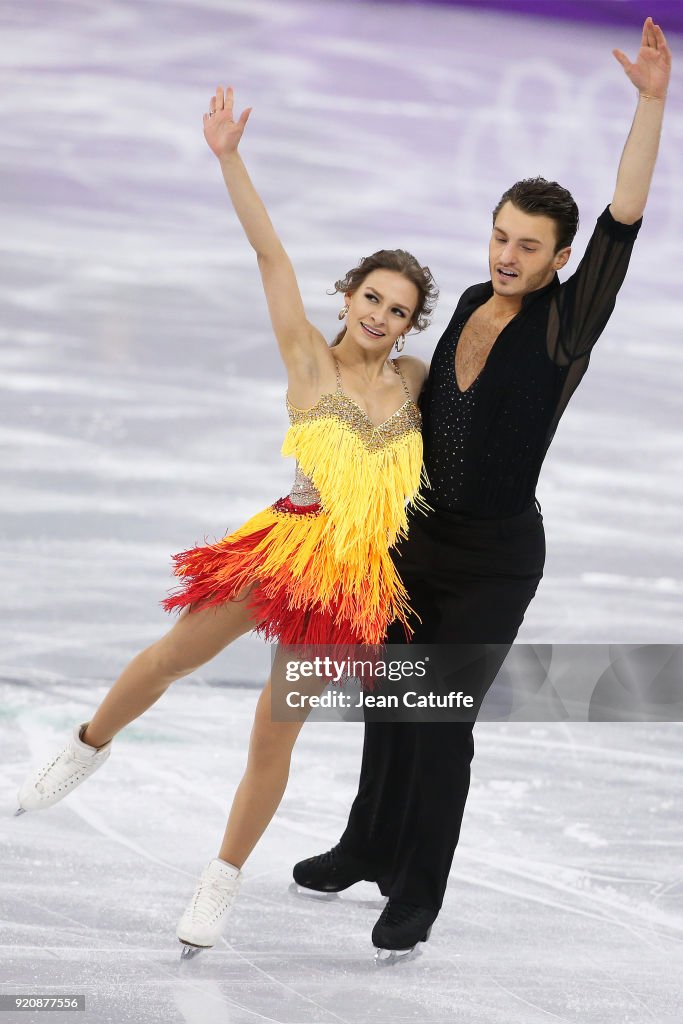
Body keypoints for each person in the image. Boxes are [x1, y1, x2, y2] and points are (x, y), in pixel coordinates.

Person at [15, 85, 438, 958]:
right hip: (286, 543)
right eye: (371, 296)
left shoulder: (417, 383)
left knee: (273, 735)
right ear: (350, 292)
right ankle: (88, 743)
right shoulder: (308, 360)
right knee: (175, 654)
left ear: (408, 323)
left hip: (351, 580)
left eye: (398, 309)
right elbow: (270, 256)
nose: (380, 315)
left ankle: (219, 882)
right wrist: (228, 157)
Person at [293, 18, 672, 960]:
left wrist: (651, 102)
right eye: (499, 236)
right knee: (389, 696)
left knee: (438, 719)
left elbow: (623, 219)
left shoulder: (563, 325)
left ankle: (416, 890)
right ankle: (363, 844)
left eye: (528, 246)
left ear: (558, 260)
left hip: (495, 559)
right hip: (416, 538)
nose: (507, 256)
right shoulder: (465, 298)